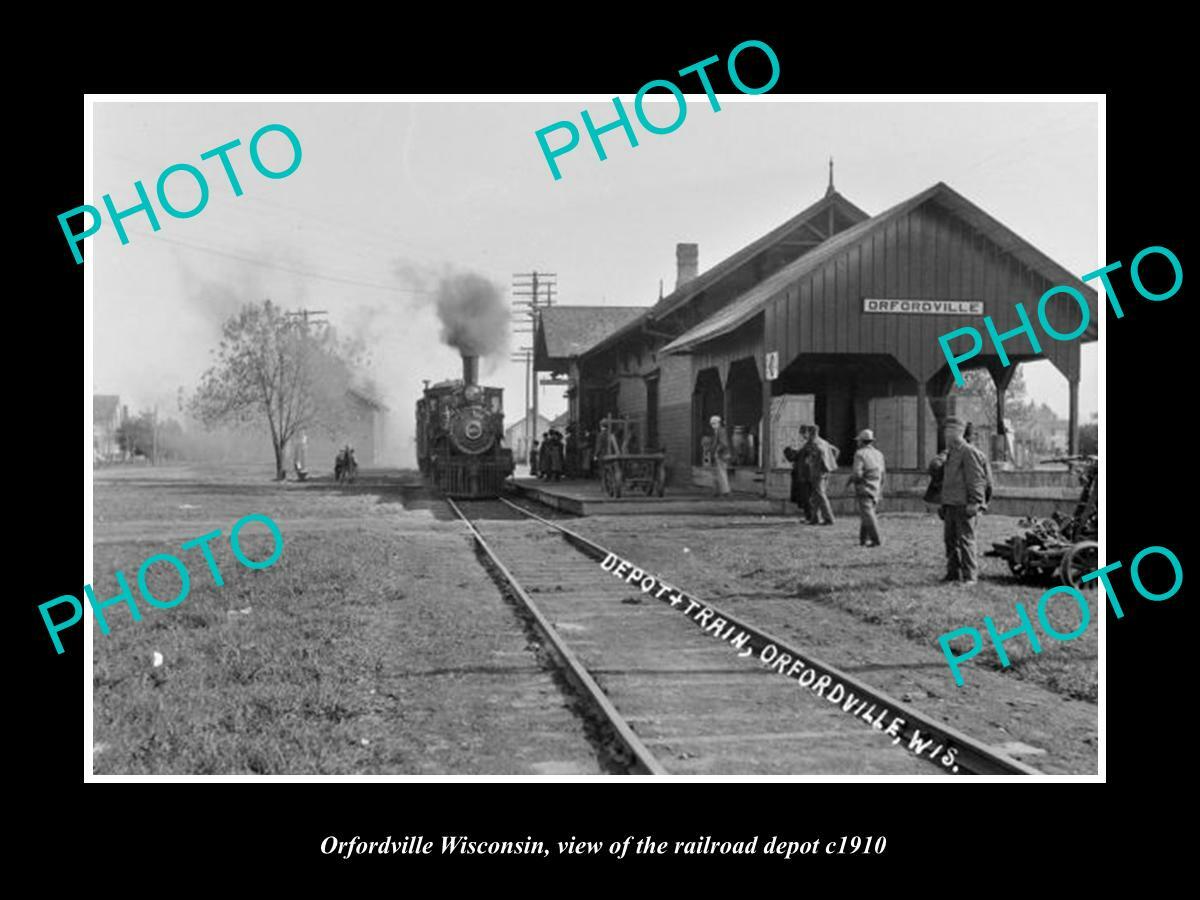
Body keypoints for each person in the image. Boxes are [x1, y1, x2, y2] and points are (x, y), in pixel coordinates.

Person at [940, 416, 989, 585]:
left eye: (949, 430)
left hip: (964, 505)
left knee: (966, 540)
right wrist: (943, 503)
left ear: (958, 432)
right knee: (950, 541)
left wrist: (975, 502)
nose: (946, 434)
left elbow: (976, 479)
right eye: (946, 430)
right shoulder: (951, 453)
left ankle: (970, 577)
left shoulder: (968, 452)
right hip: (951, 504)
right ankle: (953, 573)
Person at [849, 429, 885, 547]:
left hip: (864, 486)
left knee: (868, 514)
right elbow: (883, 473)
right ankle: (863, 540)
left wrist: (854, 481)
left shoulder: (860, 454)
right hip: (876, 486)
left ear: (861, 441)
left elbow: (857, 473)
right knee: (867, 513)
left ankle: (876, 539)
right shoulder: (879, 454)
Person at [806, 423, 839, 525]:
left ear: (811, 432)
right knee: (816, 495)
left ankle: (829, 518)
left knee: (820, 495)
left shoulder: (814, 443)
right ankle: (814, 518)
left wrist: (810, 461)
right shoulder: (824, 442)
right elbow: (836, 450)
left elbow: (815, 455)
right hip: (825, 472)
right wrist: (830, 463)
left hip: (817, 472)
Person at [783, 425, 815, 523]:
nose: (802, 435)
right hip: (803, 474)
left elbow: (801, 458)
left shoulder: (812, 445)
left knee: (807, 498)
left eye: (803, 433)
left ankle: (811, 517)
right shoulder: (806, 445)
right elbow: (797, 456)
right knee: (805, 497)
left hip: (807, 475)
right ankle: (810, 517)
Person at [963, 422, 995, 505]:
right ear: (972, 437)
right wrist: (985, 502)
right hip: (973, 502)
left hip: (952, 503)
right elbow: (989, 484)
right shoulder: (980, 456)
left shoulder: (951, 454)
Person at [708, 415, 732, 496]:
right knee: (718, 473)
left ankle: (725, 491)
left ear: (718, 423)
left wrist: (716, 451)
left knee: (721, 472)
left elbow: (723, 443)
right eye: (712, 424)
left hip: (721, 455)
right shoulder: (718, 431)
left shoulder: (720, 431)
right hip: (721, 454)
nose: (713, 425)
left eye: (714, 423)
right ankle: (717, 491)